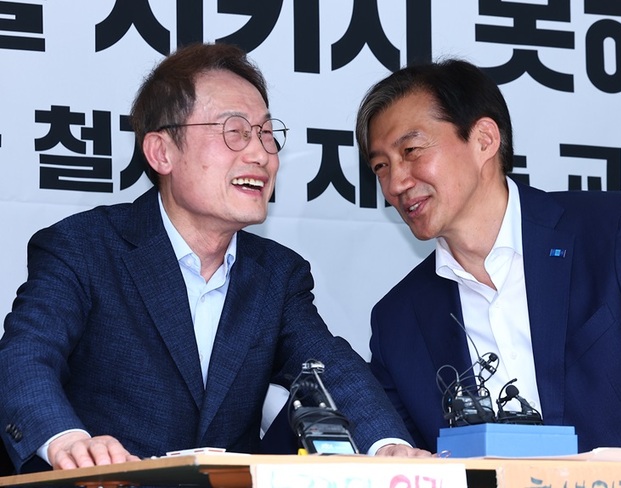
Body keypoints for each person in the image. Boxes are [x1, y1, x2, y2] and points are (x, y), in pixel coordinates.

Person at [0, 42, 430, 474]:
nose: (261, 154)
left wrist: (389, 447)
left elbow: (329, 367)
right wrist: (67, 441)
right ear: (161, 152)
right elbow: (25, 356)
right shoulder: (85, 248)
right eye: (234, 131)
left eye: (266, 134)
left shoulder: (277, 275)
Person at [355, 58, 621, 455]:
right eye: (381, 167)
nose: (396, 183)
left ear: (484, 140)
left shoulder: (613, 233)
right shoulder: (397, 322)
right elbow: (397, 451)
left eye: (411, 150)